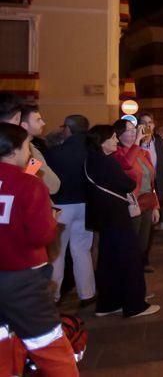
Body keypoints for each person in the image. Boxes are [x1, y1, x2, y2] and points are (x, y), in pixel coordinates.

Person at [0, 122, 80, 374]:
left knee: (3, 342)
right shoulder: (27, 184)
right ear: (13, 151)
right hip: (22, 277)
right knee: (50, 346)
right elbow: (40, 234)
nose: (30, 153)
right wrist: (51, 221)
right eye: (26, 148)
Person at [84, 125, 158, 318]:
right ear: (102, 142)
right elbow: (128, 183)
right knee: (130, 258)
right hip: (116, 215)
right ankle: (134, 305)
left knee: (109, 260)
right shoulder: (108, 162)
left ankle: (108, 303)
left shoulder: (92, 159)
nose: (115, 141)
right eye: (112, 138)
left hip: (105, 216)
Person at [43, 115, 96, 307]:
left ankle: (54, 295)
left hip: (61, 206)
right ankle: (87, 294)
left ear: (68, 129)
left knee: (57, 252)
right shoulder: (92, 151)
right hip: (86, 205)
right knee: (82, 250)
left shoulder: (55, 153)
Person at [112, 119, 160, 266]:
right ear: (119, 135)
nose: (135, 132)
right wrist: (138, 140)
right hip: (131, 203)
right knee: (130, 242)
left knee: (143, 243)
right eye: (130, 130)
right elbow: (126, 164)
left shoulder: (144, 153)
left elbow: (151, 182)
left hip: (147, 201)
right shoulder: (116, 153)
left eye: (135, 129)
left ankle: (136, 273)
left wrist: (156, 206)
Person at [17, 103, 61, 196]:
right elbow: (52, 185)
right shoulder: (29, 151)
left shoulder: (25, 148)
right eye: (38, 120)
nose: (43, 123)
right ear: (24, 125)